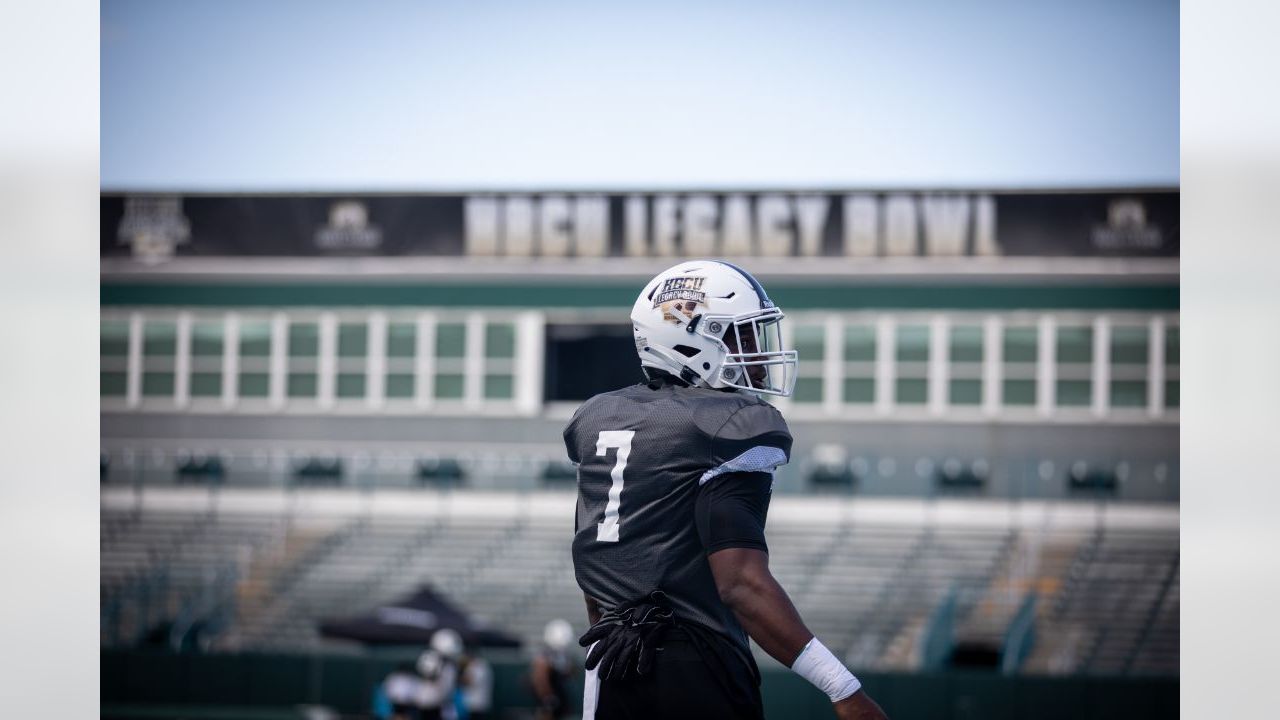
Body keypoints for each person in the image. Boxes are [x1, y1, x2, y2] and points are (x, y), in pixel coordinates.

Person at [565, 260, 889, 720]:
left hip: (611, 660)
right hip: (698, 665)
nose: (757, 354)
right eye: (742, 336)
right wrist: (844, 691)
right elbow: (741, 584)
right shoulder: (727, 423)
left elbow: (592, 564)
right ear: (690, 338)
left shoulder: (599, 416)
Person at [529, 619, 575, 719]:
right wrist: (548, 698)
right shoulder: (544, 657)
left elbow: (569, 673)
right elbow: (540, 679)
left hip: (559, 698)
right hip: (550, 700)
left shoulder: (561, 656)